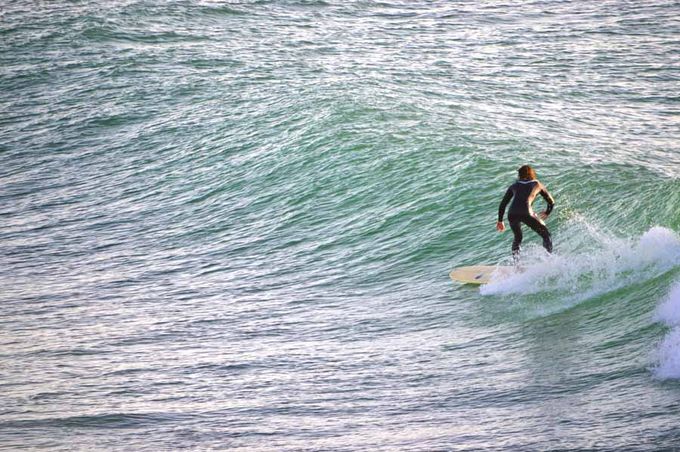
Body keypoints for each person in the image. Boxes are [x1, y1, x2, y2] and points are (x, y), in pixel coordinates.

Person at [496, 165, 554, 260]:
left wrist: (500, 221)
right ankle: (548, 260)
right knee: (546, 235)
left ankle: (516, 265)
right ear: (532, 174)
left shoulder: (514, 185)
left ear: (519, 175)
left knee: (517, 238)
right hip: (526, 212)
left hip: (512, 213)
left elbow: (503, 204)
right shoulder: (537, 184)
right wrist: (547, 212)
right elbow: (551, 201)